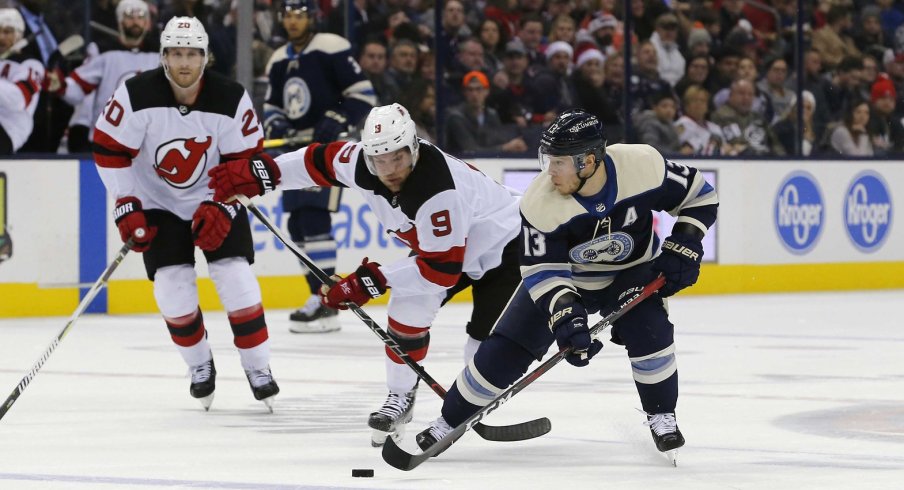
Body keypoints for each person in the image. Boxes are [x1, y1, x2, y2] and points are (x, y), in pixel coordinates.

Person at [207, 102, 523, 447]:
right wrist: (264, 173)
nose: (388, 169)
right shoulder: (360, 162)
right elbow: (315, 162)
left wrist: (368, 282)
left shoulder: (436, 190)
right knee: (406, 312)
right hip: (449, 250)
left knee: (482, 348)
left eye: (397, 158)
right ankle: (400, 399)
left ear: (413, 147)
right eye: (379, 160)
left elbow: (440, 271)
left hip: (505, 247)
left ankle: (469, 404)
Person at [411, 109, 718, 461]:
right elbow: (542, 270)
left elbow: (700, 196)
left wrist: (686, 243)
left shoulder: (643, 165)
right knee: (506, 350)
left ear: (588, 161)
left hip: (630, 273)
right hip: (568, 279)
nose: (549, 171)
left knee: (650, 329)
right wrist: (564, 312)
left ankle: (662, 415)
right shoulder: (539, 202)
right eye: (548, 160)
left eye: (558, 162)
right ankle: (447, 421)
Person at [91, 16, 279, 411]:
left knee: (235, 277)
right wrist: (126, 202)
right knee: (172, 287)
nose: (184, 63)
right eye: (176, 53)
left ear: (205, 57)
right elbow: (109, 149)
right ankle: (199, 366)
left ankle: (257, 367)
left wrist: (223, 205)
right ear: (163, 57)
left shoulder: (230, 97)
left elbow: (246, 163)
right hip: (156, 202)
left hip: (215, 196)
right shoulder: (135, 93)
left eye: (192, 54)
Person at [263, 0, 377, 333]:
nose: (293, 22)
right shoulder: (279, 58)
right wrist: (276, 123)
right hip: (292, 151)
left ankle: (328, 304)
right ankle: (319, 295)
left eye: (299, 15)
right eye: (288, 16)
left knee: (314, 219)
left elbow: (362, 94)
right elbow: (271, 105)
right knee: (298, 225)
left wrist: (338, 116)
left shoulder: (331, 47)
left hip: (325, 152)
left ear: (312, 18)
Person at [44, 0, 159, 149]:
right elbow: (78, 87)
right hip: (108, 139)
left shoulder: (160, 54)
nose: (135, 21)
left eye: (141, 16)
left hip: (148, 141)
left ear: (147, 23)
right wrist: (62, 86)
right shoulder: (103, 51)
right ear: (120, 21)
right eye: (129, 16)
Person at [0, 8, 42, 155]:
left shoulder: (31, 64)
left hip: (8, 129)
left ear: (19, 34)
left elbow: (18, 99)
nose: (1, 37)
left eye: (7, 32)